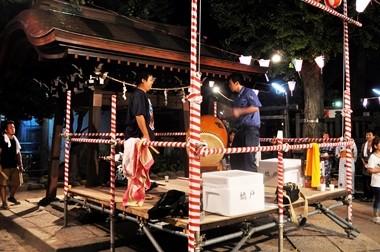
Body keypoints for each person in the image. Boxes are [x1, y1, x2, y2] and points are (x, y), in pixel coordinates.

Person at [228, 73, 261, 172]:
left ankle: (253, 185)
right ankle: (238, 184)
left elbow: (255, 107)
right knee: (235, 158)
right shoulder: (237, 97)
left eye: (230, 83)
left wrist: (239, 111)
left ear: (237, 83)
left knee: (248, 160)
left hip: (250, 131)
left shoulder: (249, 92)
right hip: (240, 131)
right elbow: (238, 117)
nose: (229, 86)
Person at [124, 72, 156, 141]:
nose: (152, 83)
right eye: (150, 80)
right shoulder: (139, 94)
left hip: (141, 138)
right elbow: (139, 115)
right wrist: (146, 135)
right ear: (143, 81)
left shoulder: (141, 94)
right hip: (137, 138)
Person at [0, 120, 23, 210]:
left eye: (13, 127)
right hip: (4, 166)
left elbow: (18, 153)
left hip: (14, 165)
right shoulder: (2, 139)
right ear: (6, 130)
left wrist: (20, 164)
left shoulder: (15, 140)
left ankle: (11, 197)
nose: (13, 129)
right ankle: (4, 203)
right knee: (3, 185)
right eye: (10, 127)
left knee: (17, 182)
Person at [367, 136, 380, 224]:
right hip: (377, 181)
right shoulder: (373, 157)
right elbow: (370, 169)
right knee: (378, 199)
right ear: (375, 146)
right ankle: (376, 216)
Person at [360, 129, 375, 202]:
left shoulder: (376, 145)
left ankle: (371, 196)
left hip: (373, 165)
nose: (368, 136)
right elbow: (362, 156)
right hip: (365, 165)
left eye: (369, 135)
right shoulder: (364, 145)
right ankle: (366, 196)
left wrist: (371, 164)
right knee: (365, 181)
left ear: (373, 136)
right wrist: (365, 164)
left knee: (371, 182)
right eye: (367, 135)